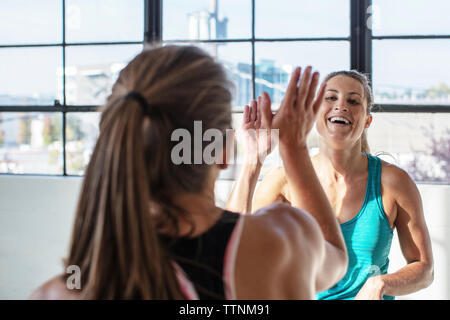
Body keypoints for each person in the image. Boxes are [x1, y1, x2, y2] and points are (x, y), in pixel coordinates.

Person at [29, 45, 348, 300]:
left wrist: (253, 162)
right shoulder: (281, 242)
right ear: (223, 149)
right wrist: (293, 147)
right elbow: (334, 257)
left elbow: (221, 235)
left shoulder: (59, 292)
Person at [228, 70, 434, 300]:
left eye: (353, 101)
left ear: (367, 120)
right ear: (314, 114)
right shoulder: (283, 180)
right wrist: (253, 159)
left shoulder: (394, 182)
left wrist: (381, 284)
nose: (341, 106)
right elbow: (228, 244)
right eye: (331, 98)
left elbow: (424, 268)